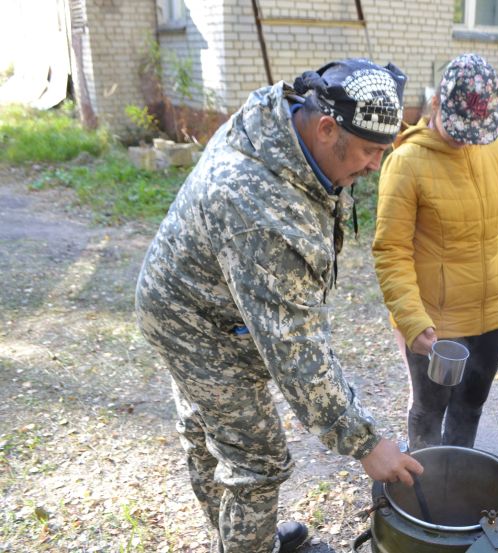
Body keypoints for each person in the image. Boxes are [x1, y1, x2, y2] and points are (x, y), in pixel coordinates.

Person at [135, 58, 423, 553]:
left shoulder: (284, 124)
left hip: (204, 296)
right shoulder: (260, 207)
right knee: (257, 459)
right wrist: (365, 443)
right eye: (370, 151)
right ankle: (247, 543)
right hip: (195, 321)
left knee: (211, 428)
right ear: (328, 127)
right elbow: (296, 351)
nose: (376, 165)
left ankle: (243, 536)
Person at [371, 53, 498, 451]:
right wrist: (411, 319)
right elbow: (391, 251)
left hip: (491, 314)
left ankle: (457, 477)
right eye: (460, 128)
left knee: (471, 407)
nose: (466, 139)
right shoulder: (406, 163)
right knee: (430, 410)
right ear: (437, 104)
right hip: (437, 323)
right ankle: (424, 493)